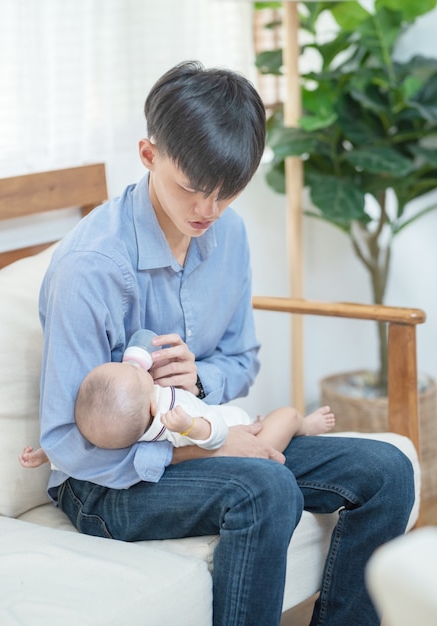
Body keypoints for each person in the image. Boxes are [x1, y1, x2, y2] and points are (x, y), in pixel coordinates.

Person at [38, 60, 415, 625]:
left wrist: (201, 382)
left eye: (226, 192)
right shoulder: (90, 269)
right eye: (191, 188)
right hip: (104, 484)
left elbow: (242, 359)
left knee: (387, 471)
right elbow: (69, 444)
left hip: (211, 437)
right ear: (148, 155)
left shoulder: (227, 234)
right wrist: (204, 445)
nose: (206, 211)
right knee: (266, 489)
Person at [20, 359, 335, 467]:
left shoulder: (114, 429)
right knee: (288, 415)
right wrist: (192, 427)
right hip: (245, 440)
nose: (137, 367)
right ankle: (305, 426)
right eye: (142, 377)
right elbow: (217, 436)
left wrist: (50, 453)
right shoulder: (172, 417)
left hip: (235, 420)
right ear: (153, 406)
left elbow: (85, 438)